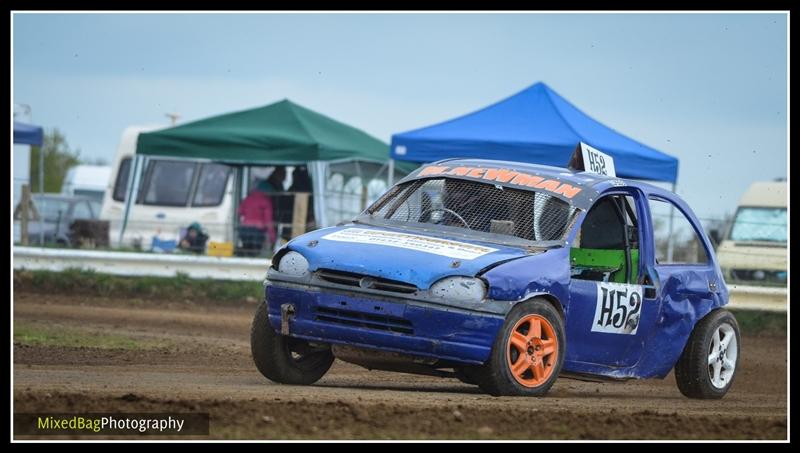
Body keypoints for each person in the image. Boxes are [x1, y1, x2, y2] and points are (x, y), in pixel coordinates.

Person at [237, 167, 285, 256]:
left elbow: (240, 212)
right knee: (255, 254)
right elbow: (268, 220)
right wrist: (272, 237)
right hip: (257, 232)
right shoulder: (266, 201)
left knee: (247, 251)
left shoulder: (248, 198)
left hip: (244, 230)